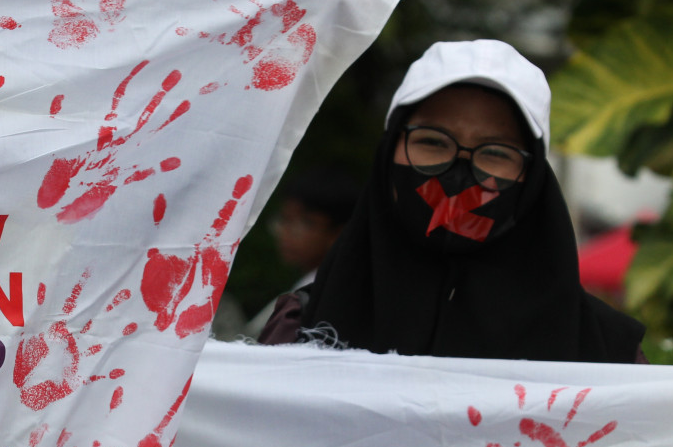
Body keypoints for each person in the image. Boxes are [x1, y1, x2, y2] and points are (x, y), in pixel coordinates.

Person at [259, 39, 646, 363]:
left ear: (533, 181)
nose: (459, 173)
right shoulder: (301, 328)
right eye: (431, 141)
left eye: (495, 152)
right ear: (388, 153)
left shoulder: (606, 351)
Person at [241, 167, 360, 339]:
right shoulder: (307, 286)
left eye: (306, 223)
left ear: (339, 233)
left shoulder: (327, 296)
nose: (286, 232)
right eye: (285, 220)